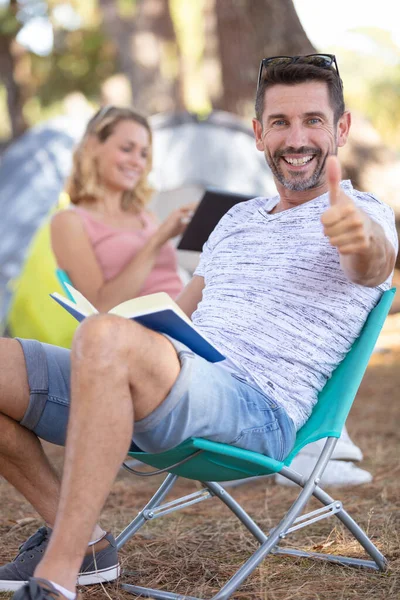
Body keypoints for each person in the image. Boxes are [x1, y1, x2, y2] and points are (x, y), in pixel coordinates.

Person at [0, 54, 397, 600]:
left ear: (341, 128)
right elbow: (182, 311)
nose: (296, 137)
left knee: (105, 336)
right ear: (258, 134)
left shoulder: (364, 212)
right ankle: (89, 545)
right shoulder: (235, 221)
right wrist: (125, 330)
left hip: (258, 409)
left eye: (313, 120)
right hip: (179, 383)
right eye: (280, 122)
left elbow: (371, 263)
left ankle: (58, 576)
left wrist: (359, 237)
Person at [50, 106, 194, 311]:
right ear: (92, 146)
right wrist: (158, 239)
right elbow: (101, 309)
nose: (137, 162)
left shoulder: (145, 217)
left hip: (188, 320)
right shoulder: (68, 221)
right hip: (140, 330)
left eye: (144, 154)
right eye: (127, 149)